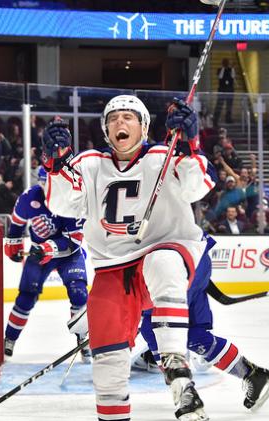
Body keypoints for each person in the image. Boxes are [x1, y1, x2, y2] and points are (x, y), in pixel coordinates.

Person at [43, 95, 215, 421]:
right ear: (106, 129)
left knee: (160, 264)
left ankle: (177, 369)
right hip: (112, 266)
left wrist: (192, 143)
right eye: (113, 119)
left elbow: (198, 186)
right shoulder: (89, 162)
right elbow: (63, 204)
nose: (120, 123)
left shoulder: (165, 155)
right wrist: (54, 164)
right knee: (107, 362)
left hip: (168, 249)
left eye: (129, 117)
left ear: (144, 125)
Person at [139, 234, 269, 411]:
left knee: (154, 327)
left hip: (170, 260)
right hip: (194, 257)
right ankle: (252, 374)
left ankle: (186, 394)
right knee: (192, 333)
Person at [3, 167, 89, 359]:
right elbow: (17, 224)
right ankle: (10, 338)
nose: (48, 188)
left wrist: (48, 247)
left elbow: (73, 241)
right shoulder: (29, 197)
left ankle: (83, 338)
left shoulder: (73, 200)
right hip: (39, 251)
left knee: (79, 293)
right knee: (26, 296)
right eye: (44, 184)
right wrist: (13, 243)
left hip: (68, 253)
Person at [213, 58, 235, 125]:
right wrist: (223, 68)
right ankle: (215, 120)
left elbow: (233, 76)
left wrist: (232, 68)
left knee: (229, 106)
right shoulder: (220, 69)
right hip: (222, 90)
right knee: (219, 105)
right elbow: (220, 77)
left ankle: (228, 119)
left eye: (226, 62)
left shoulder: (231, 69)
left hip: (230, 90)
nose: (226, 64)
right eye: (224, 63)